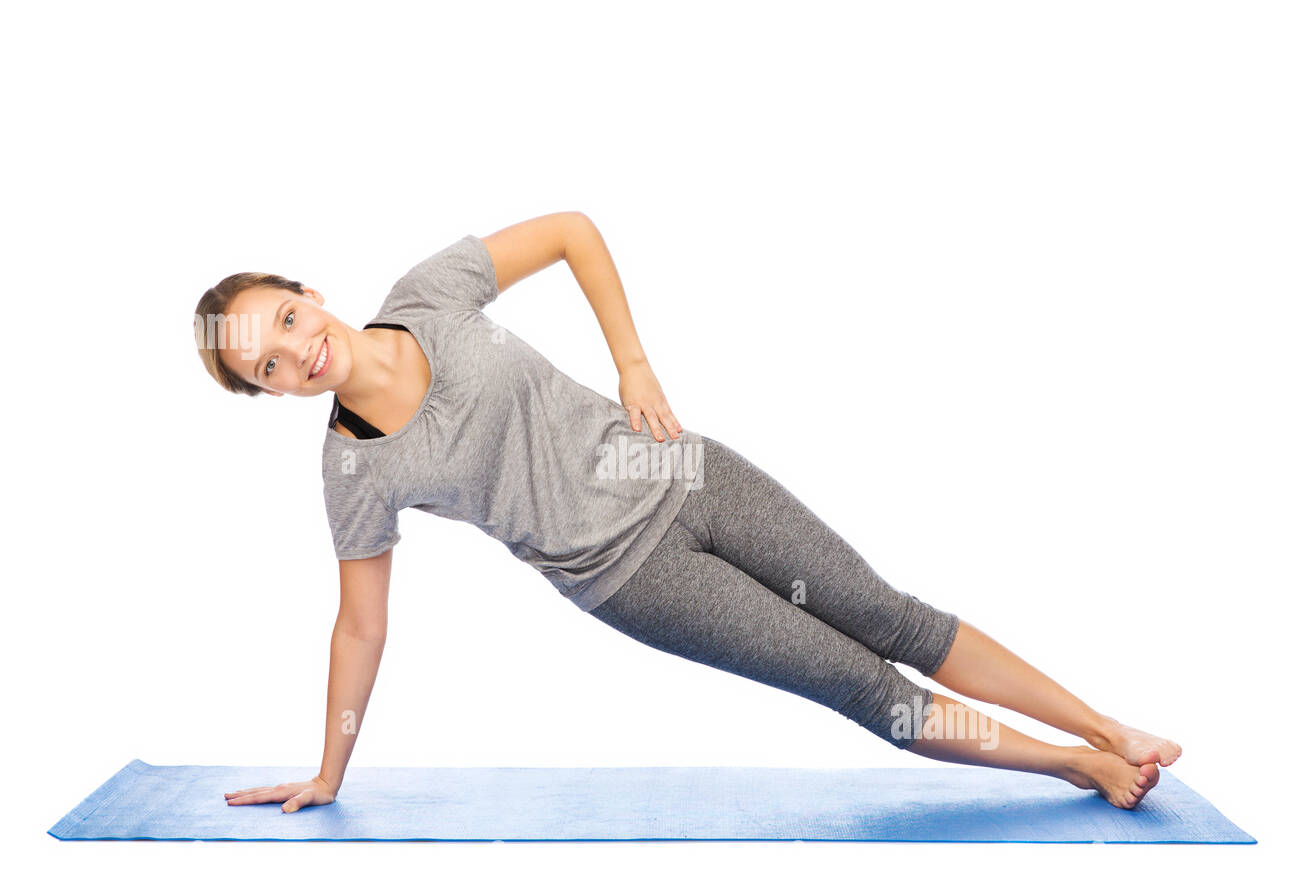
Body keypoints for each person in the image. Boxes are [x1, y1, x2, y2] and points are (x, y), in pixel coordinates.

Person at [193, 212, 1180, 816]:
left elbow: (573, 227)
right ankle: (1076, 766)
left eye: (285, 319)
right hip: (632, 579)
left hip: (688, 471)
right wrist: (329, 769)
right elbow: (359, 624)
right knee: (859, 683)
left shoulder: (428, 292)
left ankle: (1109, 727)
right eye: (266, 365)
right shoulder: (352, 470)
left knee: (891, 614)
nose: (295, 350)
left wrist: (632, 361)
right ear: (271, 393)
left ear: (308, 293)